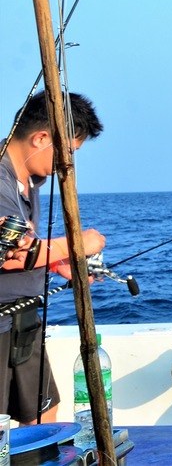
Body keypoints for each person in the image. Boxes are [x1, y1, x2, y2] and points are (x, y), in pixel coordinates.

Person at [0, 91, 106, 424]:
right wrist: (78, 244)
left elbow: (27, 243)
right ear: (41, 137)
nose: (67, 163)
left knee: (44, 414)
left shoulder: (28, 177)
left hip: (23, 322)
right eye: (68, 151)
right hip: (2, 322)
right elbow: (12, 255)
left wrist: (64, 267)